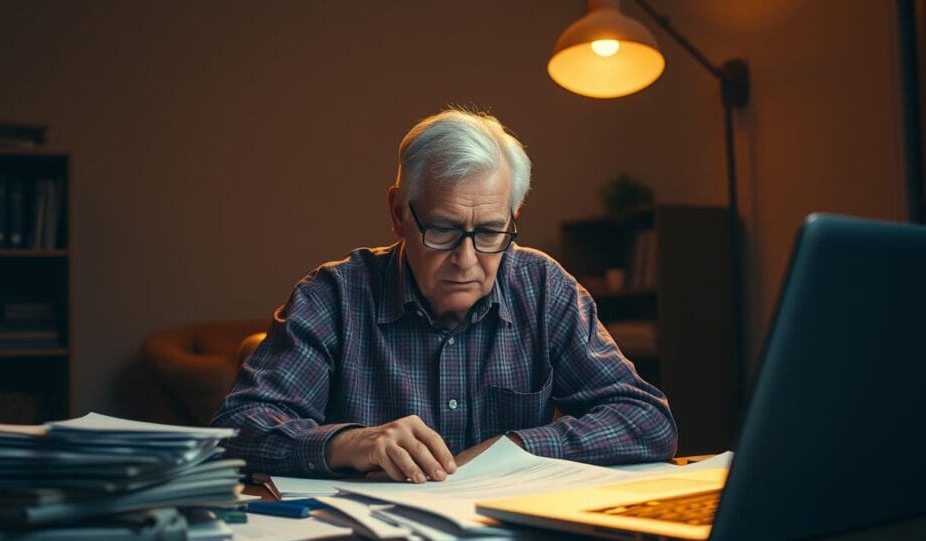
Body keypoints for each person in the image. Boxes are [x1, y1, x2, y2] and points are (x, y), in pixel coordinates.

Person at [211, 109, 677, 482]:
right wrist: (348, 443)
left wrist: (517, 446)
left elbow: (647, 420)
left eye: (492, 231)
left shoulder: (543, 289)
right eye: (443, 229)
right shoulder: (333, 297)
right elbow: (236, 429)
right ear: (398, 213)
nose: (466, 259)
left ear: (514, 215)